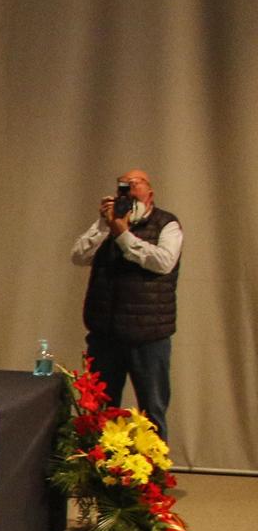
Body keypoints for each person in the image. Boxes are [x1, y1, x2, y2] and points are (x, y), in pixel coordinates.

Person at [70, 167, 180, 439]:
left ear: (150, 193)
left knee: (152, 410)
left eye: (136, 183)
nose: (129, 188)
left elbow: (163, 262)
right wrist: (103, 225)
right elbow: (78, 256)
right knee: (100, 410)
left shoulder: (167, 223)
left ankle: (155, 477)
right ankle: (100, 475)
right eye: (124, 184)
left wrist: (123, 234)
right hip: (106, 334)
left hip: (149, 336)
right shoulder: (108, 225)